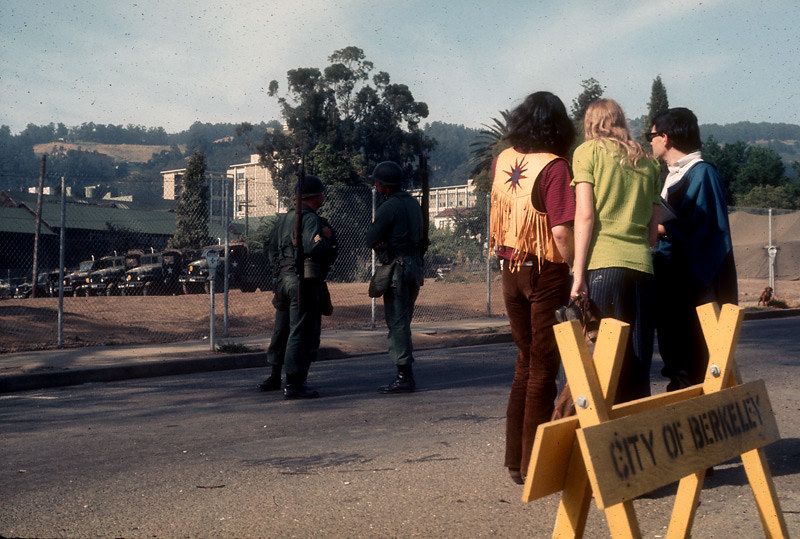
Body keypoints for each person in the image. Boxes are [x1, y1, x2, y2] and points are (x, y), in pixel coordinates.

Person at [488, 91, 575, 485]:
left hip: (510, 269)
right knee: (543, 365)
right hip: (546, 271)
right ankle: (533, 462)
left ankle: (514, 459)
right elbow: (559, 230)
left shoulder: (504, 160)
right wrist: (577, 270)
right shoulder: (555, 167)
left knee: (524, 361)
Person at [569, 99, 661, 403]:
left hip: (604, 265)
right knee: (638, 365)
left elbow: (584, 216)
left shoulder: (587, 153)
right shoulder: (647, 162)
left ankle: (607, 444)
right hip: (643, 268)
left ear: (591, 123)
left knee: (607, 366)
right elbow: (652, 233)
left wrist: (578, 274)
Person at [649, 107, 738, 390]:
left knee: (694, 362)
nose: (649, 142)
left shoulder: (703, 173)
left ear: (665, 137)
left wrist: (662, 228)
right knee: (676, 359)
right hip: (671, 280)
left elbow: (710, 232)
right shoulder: (672, 175)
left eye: (651, 135)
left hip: (692, 286)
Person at [258, 175, 338, 399]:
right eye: (321, 194)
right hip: (301, 282)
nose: (323, 197)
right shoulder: (311, 219)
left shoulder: (285, 218)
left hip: (283, 280)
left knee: (281, 329)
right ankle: (294, 383)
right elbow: (314, 249)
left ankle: (274, 375)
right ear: (314, 197)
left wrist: (279, 270)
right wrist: (328, 240)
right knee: (300, 331)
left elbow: (270, 246)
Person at [366, 161, 425, 394]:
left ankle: (404, 375)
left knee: (397, 322)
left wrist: (384, 243)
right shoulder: (413, 204)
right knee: (404, 320)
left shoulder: (388, 207)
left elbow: (372, 238)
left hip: (397, 269)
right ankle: (404, 372)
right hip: (414, 266)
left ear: (381, 185)